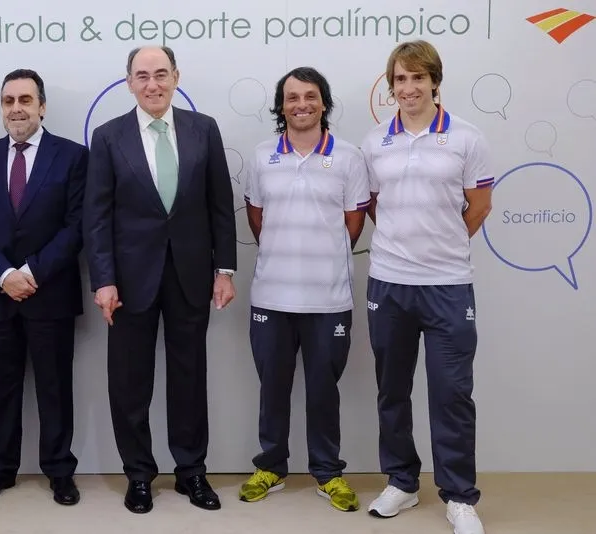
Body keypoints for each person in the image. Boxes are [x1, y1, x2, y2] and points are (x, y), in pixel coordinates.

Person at [83, 46, 237, 514]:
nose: (153, 84)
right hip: (129, 282)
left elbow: (219, 205)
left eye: (161, 74)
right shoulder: (109, 137)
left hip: (190, 274)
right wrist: (103, 279)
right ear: (129, 82)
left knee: (189, 378)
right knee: (129, 380)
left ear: (176, 77)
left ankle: (191, 471)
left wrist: (224, 269)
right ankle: (139, 474)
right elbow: (97, 216)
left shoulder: (203, 129)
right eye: (142, 75)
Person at [360, 40, 492, 534]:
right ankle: (403, 483)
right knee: (391, 390)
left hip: (448, 287)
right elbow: (375, 205)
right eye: (400, 80)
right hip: (389, 284)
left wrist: (439, 244)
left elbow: (478, 208)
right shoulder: (375, 142)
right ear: (391, 86)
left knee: (452, 394)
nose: (409, 88)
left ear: (435, 81)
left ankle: (459, 496)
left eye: (418, 78)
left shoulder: (466, 137)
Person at [240, 67, 369, 512]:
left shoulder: (350, 158)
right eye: (292, 97)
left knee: (323, 389)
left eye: (310, 96)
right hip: (271, 299)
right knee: (272, 387)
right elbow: (257, 217)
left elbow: (352, 224)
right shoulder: (261, 157)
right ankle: (271, 466)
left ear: (323, 102)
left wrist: (323, 255)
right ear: (281, 105)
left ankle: (328, 471)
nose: (301, 104)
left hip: (328, 300)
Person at [0, 69, 87, 506]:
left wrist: (30, 273)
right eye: (8, 100)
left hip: (49, 292)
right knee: (1, 388)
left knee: (55, 388)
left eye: (25, 100)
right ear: (1, 107)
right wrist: (3, 276)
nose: (17, 108)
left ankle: (59, 472)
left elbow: (76, 227)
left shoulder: (73, 157)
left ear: (42, 106)